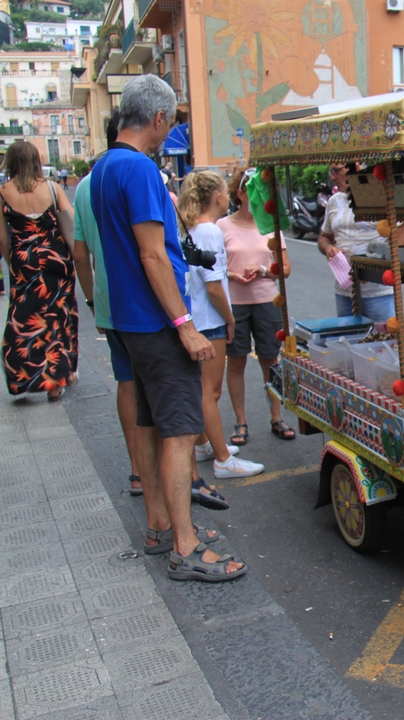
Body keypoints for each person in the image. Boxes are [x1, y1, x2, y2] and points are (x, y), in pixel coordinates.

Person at [92, 74, 246, 583]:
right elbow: (152, 253)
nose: (169, 132)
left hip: (130, 323)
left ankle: (160, 525)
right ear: (157, 119)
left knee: (150, 423)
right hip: (157, 323)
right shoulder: (138, 170)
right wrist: (184, 324)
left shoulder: (105, 167)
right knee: (180, 431)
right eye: (171, 122)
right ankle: (185, 545)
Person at [72, 116, 146, 496]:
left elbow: (80, 253)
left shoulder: (87, 184)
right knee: (155, 389)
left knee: (126, 383)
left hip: (106, 299)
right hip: (141, 303)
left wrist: (90, 298)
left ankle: (137, 469)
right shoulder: (134, 173)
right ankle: (159, 474)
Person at [177, 171, 265, 479]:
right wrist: (230, 321)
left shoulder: (190, 228)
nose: (227, 198)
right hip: (209, 321)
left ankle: (205, 444)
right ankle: (223, 459)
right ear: (216, 198)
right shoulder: (211, 231)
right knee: (209, 392)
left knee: (200, 388)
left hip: (193, 317)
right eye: (225, 193)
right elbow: (214, 287)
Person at [219, 167, 295, 445]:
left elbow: (285, 269)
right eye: (251, 190)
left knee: (270, 360)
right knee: (236, 362)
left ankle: (276, 417)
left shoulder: (271, 225)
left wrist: (264, 269)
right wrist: (231, 274)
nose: (257, 195)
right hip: (234, 304)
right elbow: (212, 268)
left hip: (266, 301)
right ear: (239, 193)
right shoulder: (222, 226)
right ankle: (241, 421)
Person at [0, 140, 78, 401]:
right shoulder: (53, 188)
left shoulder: (3, 192)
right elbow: (71, 223)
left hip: (25, 262)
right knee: (58, 316)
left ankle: (24, 379)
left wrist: (12, 263)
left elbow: (2, 239)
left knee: (22, 320)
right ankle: (57, 379)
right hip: (56, 257)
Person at [317, 162, 394, 320]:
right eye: (330, 172)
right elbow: (324, 238)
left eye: (336, 171)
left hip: (377, 291)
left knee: (384, 341)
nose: (332, 176)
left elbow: (401, 241)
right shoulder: (334, 201)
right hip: (344, 290)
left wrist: (373, 272)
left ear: (356, 167)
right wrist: (328, 248)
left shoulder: (380, 197)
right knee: (348, 340)